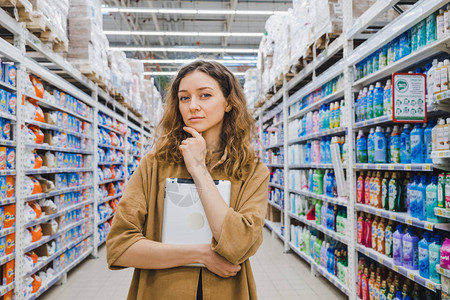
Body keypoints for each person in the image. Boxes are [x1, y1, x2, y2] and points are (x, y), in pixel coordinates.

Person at [106, 60, 269, 299]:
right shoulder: (154, 165)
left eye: (205, 95)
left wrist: (198, 169)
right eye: (184, 98)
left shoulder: (252, 171)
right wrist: (201, 255)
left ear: (228, 103)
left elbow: (239, 245)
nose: (193, 106)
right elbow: (119, 248)